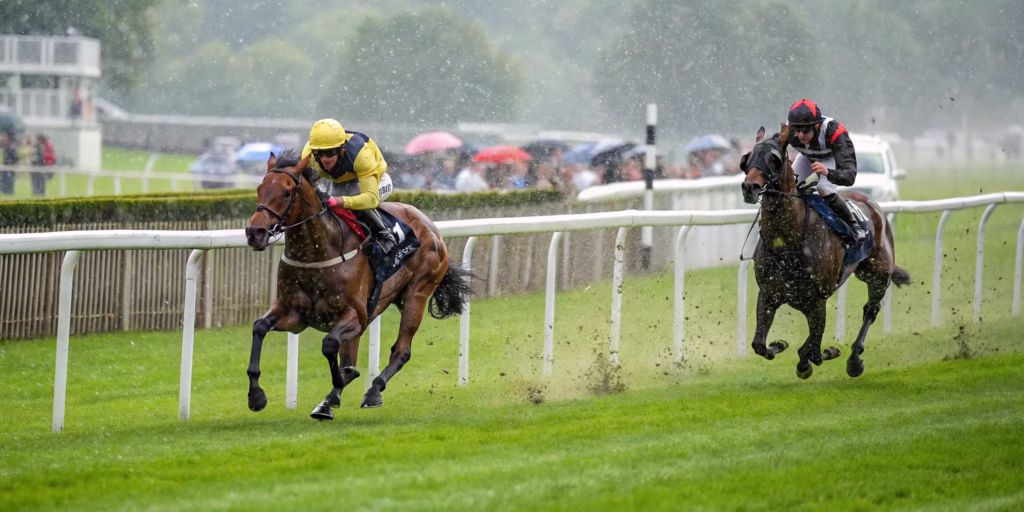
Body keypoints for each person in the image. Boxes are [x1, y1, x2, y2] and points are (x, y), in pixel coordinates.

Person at [299, 118, 397, 254]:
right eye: (319, 153)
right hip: (341, 184)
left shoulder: (361, 154)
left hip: (378, 182)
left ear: (341, 148)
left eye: (330, 152)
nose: (324, 159)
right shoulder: (308, 156)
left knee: (355, 200)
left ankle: (385, 236)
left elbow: (371, 199)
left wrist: (340, 201)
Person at [786, 99, 867, 243]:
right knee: (789, 185)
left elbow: (849, 176)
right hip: (807, 157)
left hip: (831, 159)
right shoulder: (788, 131)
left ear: (817, 125)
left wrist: (828, 172)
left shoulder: (834, 132)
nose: (800, 136)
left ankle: (854, 226)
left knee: (823, 188)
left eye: (805, 130)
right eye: (797, 130)